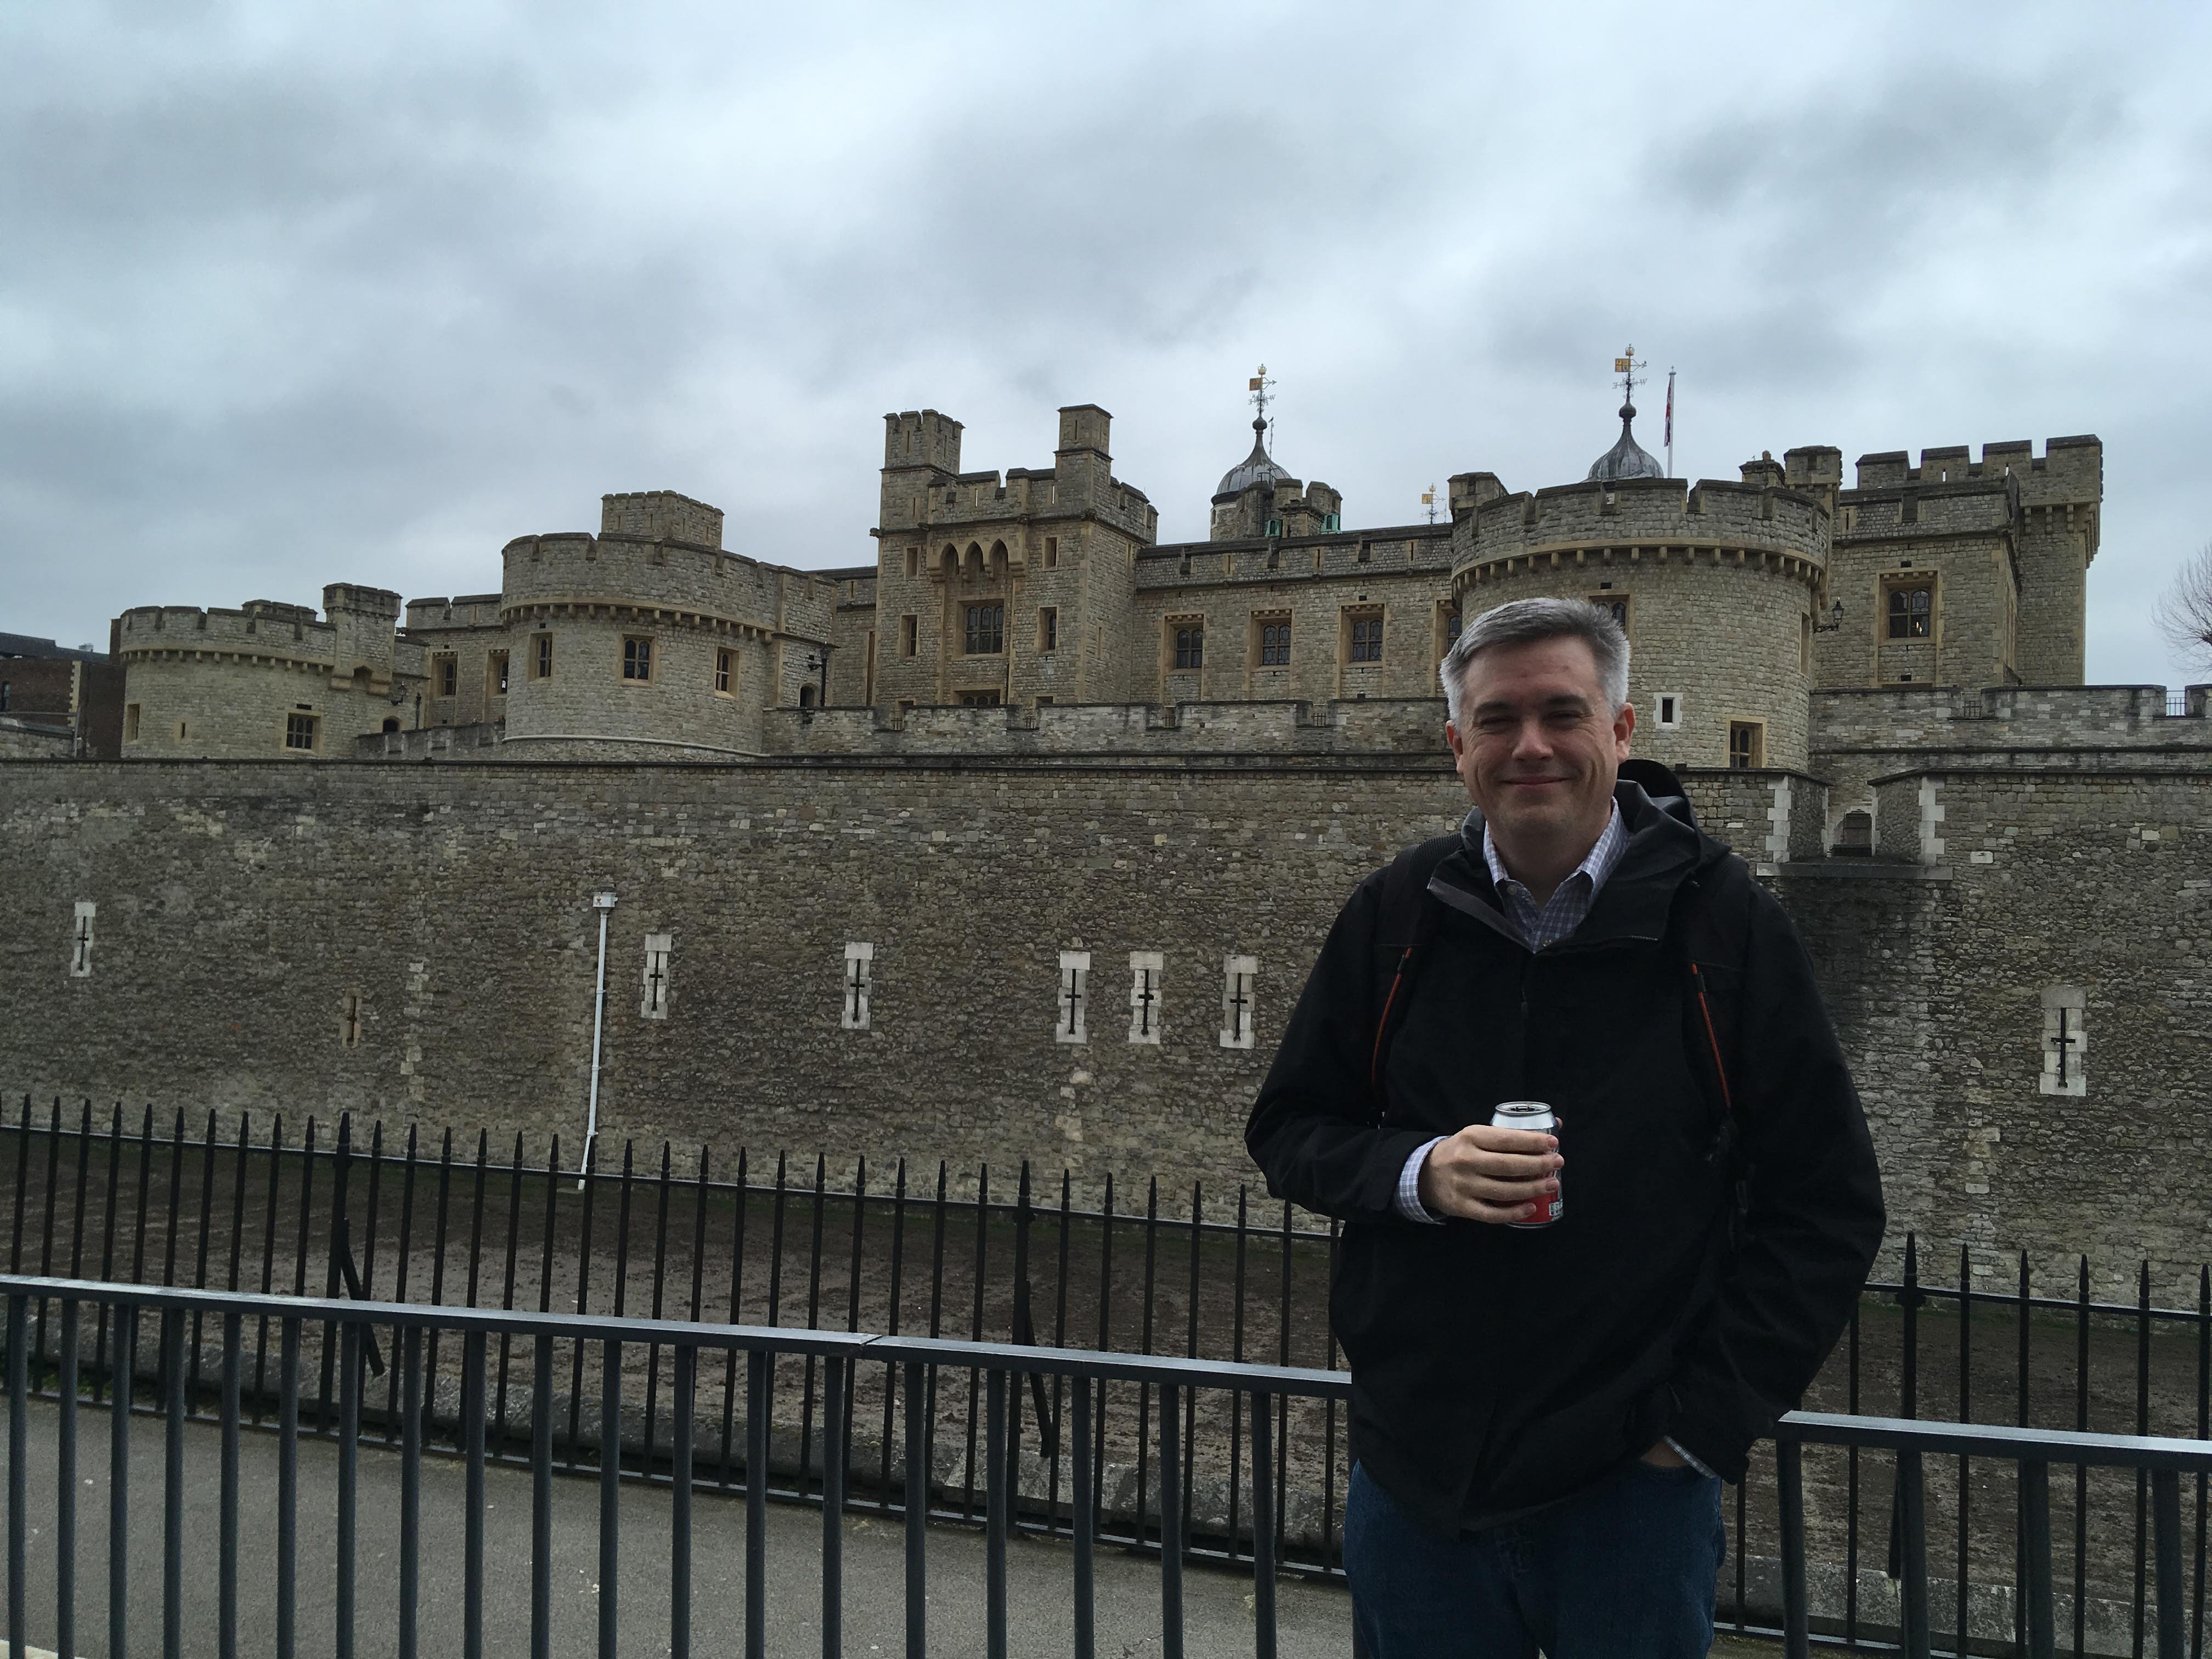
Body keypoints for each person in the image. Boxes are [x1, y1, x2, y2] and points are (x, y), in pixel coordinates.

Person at [1246, 597, 1884, 1658]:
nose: (1529, 745)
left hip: (1630, 1501)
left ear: (1622, 731)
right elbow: (1288, 1127)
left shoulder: (1722, 923)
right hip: (1418, 1488)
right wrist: (1419, 1172)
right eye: (1497, 720)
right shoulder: (1396, 914)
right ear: (1457, 746)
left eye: (1562, 713)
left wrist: (1696, 1430)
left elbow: (1828, 1204)